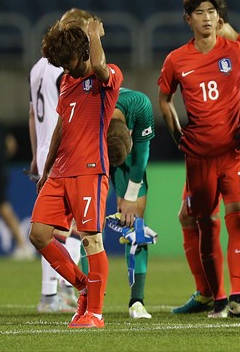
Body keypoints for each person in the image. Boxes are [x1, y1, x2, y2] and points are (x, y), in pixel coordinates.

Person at [157, 0, 240, 318]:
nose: (208, 18)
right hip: (199, 156)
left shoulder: (239, 53)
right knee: (203, 222)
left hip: (237, 151)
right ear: (189, 19)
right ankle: (216, 297)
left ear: (221, 18)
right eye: (200, 13)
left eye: (212, 12)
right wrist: (177, 134)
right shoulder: (177, 60)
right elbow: (164, 98)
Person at [28, 17, 123, 329]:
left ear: (84, 53)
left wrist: (94, 34)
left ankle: (95, 314)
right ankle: (84, 286)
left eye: (68, 61)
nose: (65, 68)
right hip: (60, 171)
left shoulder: (107, 78)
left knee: (91, 241)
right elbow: (60, 126)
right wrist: (46, 168)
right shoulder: (67, 81)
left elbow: (101, 67)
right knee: (38, 234)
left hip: (89, 170)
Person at [28, 9, 91, 314]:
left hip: (44, 150)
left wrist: (35, 156)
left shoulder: (37, 67)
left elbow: (32, 114)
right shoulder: (62, 68)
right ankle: (51, 294)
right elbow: (67, 114)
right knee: (61, 230)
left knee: (59, 229)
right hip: (62, 152)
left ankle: (61, 291)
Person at [104, 87, 156, 319]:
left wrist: (130, 196)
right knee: (87, 223)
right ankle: (87, 298)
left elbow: (142, 153)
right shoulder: (91, 110)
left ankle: (137, 301)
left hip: (127, 156)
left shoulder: (140, 105)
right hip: (93, 152)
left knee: (135, 224)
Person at [0, 119, 35, 260]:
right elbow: (11, 144)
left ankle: (23, 245)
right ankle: (23, 245)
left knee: (3, 207)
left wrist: (0, 160)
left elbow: (11, 143)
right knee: (3, 208)